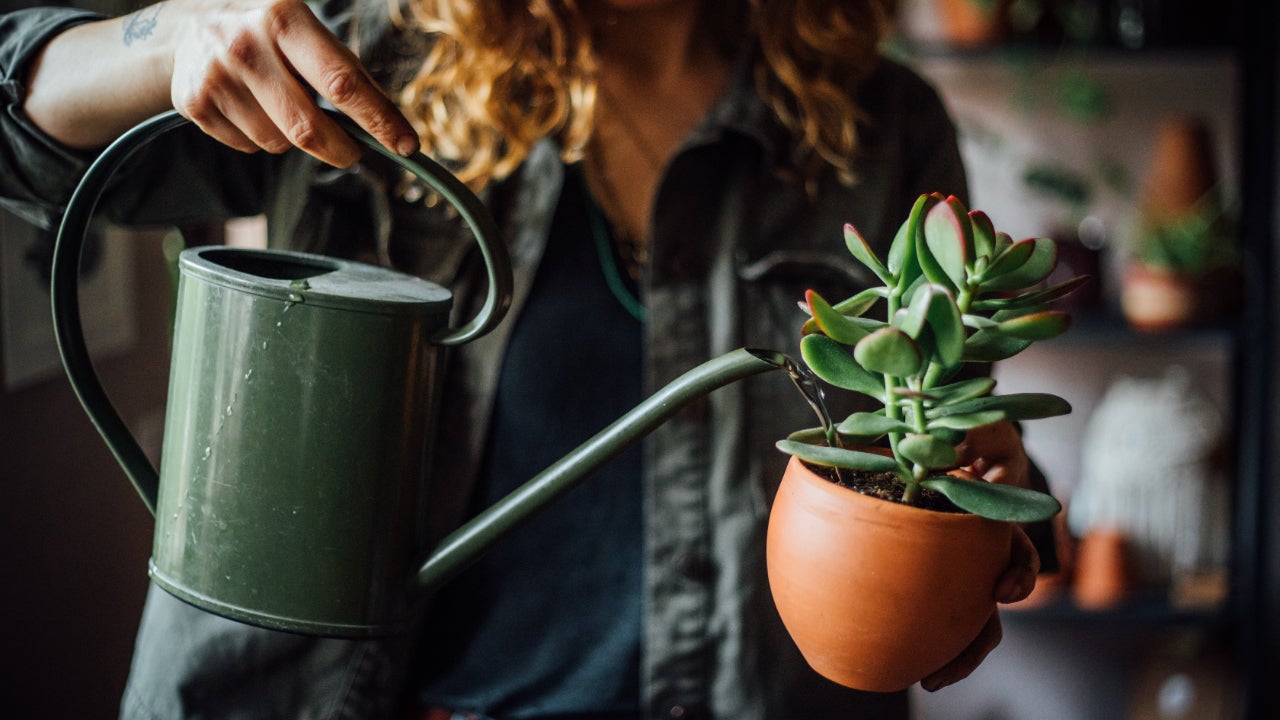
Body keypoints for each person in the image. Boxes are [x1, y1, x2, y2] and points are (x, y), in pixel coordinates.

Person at [0, 1, 1052, 718]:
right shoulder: (356, 58)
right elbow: (21, 129)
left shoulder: (878, 127)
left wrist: (982, 508)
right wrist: (172, 33)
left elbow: (962, 428)